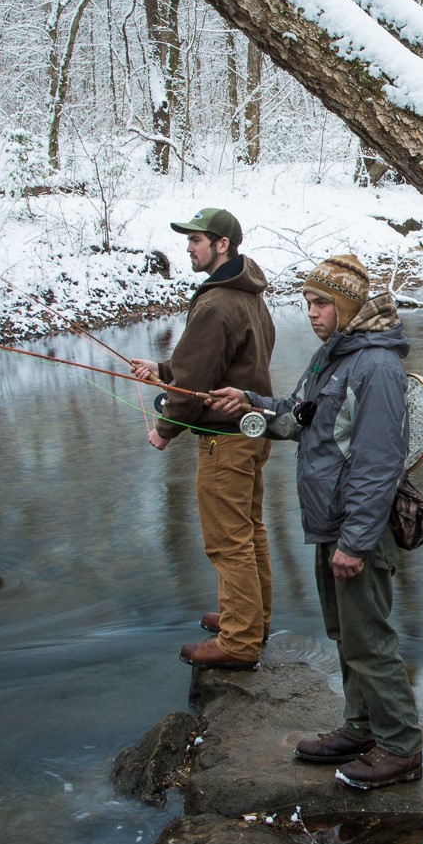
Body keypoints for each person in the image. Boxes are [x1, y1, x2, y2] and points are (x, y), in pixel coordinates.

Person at [217, 253, 423, 789]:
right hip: (327, 522)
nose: (311, 312)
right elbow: (297, 416)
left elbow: (379, 464)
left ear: (349, 307)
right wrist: (248, 404)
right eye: (308, 302)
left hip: (359, 530)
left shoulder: (376, 367)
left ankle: (401, 749)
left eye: (322, 302)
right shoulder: (330, 357)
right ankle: (360, 729)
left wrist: (355, 543)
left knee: (369, 639)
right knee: (345, 634)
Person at [129, 207, 276, 672]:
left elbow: (194, 384)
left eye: (195, 240)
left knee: (227, 541)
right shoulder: (249, 294)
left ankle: (239, 640)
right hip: (254, 431)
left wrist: (164, 431)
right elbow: (217, 363)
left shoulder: (215, 303)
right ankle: (252, 619)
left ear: (222, 245)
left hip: (223, 440)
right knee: (250, 532)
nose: (188, 248)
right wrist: (162, 370)